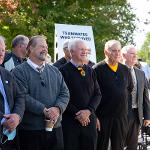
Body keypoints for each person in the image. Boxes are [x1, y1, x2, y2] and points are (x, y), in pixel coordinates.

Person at [12, 35, 69, 150]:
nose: (45, 49)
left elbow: (65, 93)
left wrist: (57, 109)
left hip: (55, 129)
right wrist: (44, 110)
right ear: (30, 49)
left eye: (46, 47)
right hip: (30, 131)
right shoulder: (18, 71)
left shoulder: (55, 71)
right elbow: (22, 96)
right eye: (41, 46)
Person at [59, 39, 101, 150]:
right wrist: (78, 114)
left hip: (89, 121)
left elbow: (97, 94)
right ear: (71, 52)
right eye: (81, 49)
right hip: (70, 122)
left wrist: (88, 111)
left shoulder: (90, 71)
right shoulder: (62, 71)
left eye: (86, 49)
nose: (84, 52)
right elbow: (61, 96)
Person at [93, 40, 133, 150]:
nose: (117, 53)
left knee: (119, 146)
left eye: (119, 51)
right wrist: (95, 116)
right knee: (101, 146)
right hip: (103, 117)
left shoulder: (125, 69)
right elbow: (92, 94)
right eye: (113, 51)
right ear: (106, 52)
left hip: (121, 117)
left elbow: (129, 89)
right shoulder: (97, 69)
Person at [121, 45, 150, 150]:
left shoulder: (141, 73)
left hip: (136, 114)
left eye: (135, 53)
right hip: (120, 114)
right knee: (118, 143)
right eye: (132, 53)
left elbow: (145, 95)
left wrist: (147, 116)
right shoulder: (117, 70)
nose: (135, 56)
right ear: (124, 55)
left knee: (132, 145)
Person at [0, 36, 25, 150]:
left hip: (10, 136)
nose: (1, 54)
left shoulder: (6, 73)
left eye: (3, 50)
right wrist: (2, 119)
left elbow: (20, 96)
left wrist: (17, 116)